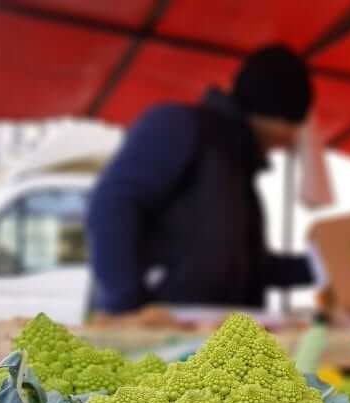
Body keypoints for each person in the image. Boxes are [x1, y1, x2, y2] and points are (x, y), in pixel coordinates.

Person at [87, 44, 317, 313]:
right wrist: (128, 306)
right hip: (164, 332)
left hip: (214, 336)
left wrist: (327, 264)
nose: (290, 142)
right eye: (293, 127)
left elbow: (255, 267)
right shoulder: (180, 126)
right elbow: (112, 203)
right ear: (276, 116)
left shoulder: (239, 170)